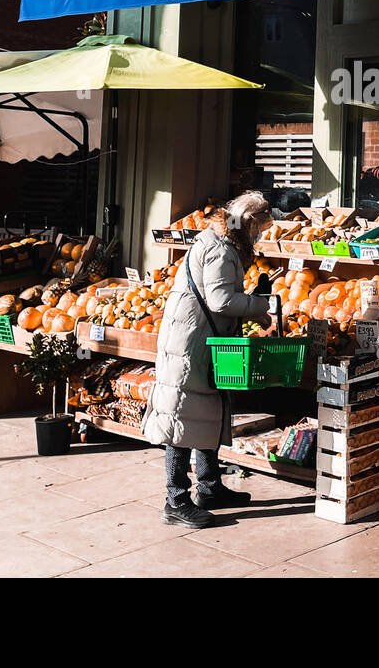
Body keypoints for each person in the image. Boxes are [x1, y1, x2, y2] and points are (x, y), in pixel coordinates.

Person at [142, 191, 276, 528]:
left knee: (205, 411)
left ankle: (210, 486)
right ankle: (176, 500)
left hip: (201, 338)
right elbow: (219, 300)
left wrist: (250, 301)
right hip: (189, 343)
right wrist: (260, 306)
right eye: (258, 228)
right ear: (247, 223)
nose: (259, 235)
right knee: (181, 418)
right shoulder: (219, 248)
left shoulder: (220, 239)